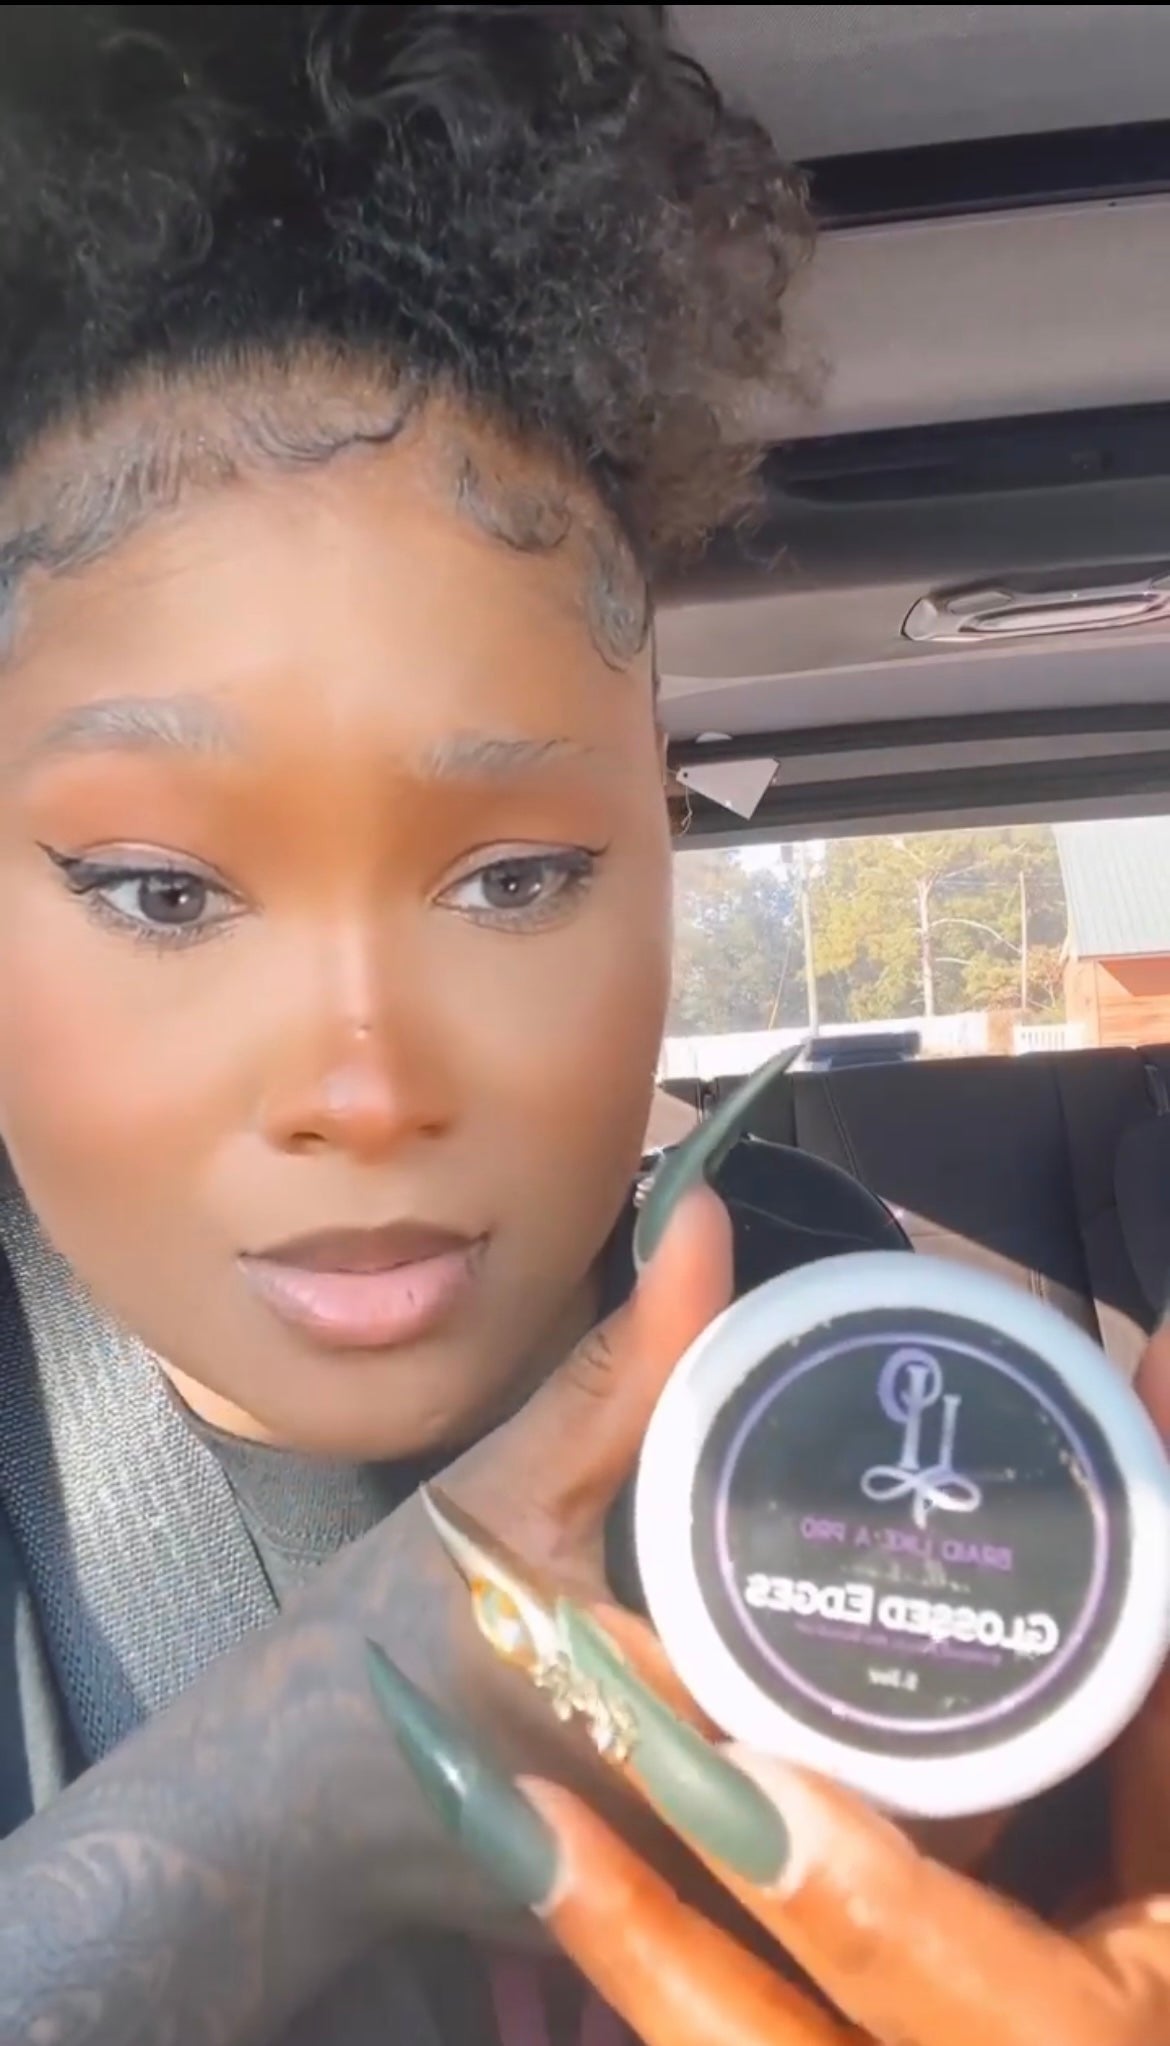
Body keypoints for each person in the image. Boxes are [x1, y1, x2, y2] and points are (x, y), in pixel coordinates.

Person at [0, 8, 1162, 2045]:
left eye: (513, 876)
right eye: (163, 891)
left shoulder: (928, 1410)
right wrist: (264, 1801)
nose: (365, 1084)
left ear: (666, 846)